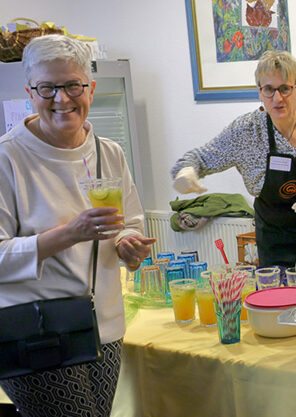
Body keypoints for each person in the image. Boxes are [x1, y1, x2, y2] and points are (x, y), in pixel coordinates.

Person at [0, 34, 154, 416]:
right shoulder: (9, 158)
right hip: (36, 331)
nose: (62, 99)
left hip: (103, 326)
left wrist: (129, 244)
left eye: (72, 86)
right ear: (29, 92)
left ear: (91, 88)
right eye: (47, 88)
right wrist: (70, 233)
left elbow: (129, 223)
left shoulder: (108, 152)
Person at [171, 50, 296, 275]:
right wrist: (187, 172)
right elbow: (197, 158)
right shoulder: (246, 132)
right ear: (259, 92)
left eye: (285, 89)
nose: (277, 99)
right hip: (276, 247)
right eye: (269, 89)